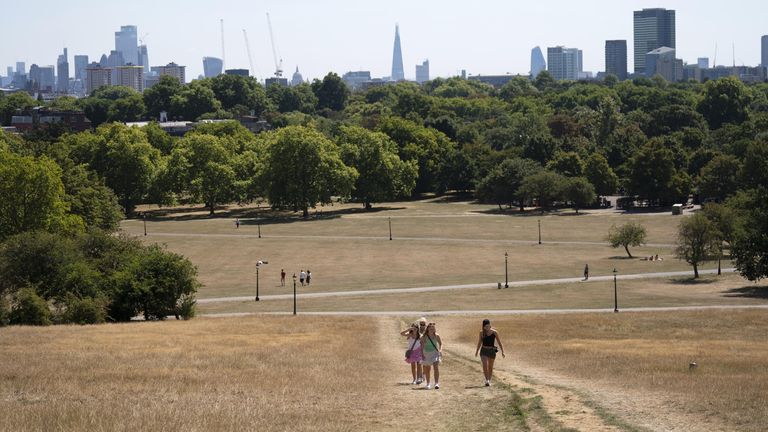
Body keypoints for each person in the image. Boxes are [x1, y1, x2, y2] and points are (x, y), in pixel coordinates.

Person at [475, 319, 505, 386]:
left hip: (492, 351)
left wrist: (503, 351)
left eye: (488, 326)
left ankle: (489, 379)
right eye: (486, 326)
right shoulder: (481, 333)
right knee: (485, 365)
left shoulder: (494, 332)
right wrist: (477, 351)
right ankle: (487, 380)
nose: (487, 328)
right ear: (483, 327)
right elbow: (479, 342)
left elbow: (499, 342)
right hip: (484, 351)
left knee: (490, 367)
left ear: (490, 325)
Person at [420, 322, 443, 390]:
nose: (432, 330)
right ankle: (428, 384)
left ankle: (436, 383)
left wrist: (440, 350)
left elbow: (441, 344)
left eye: (433, 329)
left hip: (435, 353)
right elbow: (421, 346)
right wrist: (422, 354)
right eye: (430, 329)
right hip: (426, 353)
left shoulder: (436, 336)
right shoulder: (424, 337)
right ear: (427, 329)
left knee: (436, 367)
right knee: (428, 369)